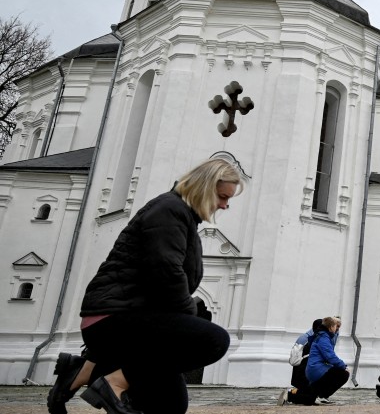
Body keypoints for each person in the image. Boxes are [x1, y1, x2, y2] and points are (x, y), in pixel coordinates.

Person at [50, 159, 240, 414]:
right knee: (213, 340)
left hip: (129, 318)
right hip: (112, 319)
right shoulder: (169, 210)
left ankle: (84, 371)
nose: (225, 205)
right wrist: (188, 321)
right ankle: (113, 382)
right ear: (204, 187)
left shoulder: (182, 215)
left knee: (171, 404)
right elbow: (166, 273)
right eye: (222, 196)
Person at [304, 317, 350, 404]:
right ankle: (321, 395)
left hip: (315, 368)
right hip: (316, 370)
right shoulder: (323, 338)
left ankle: (319, 395)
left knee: (338, 371)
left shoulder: (322, 336)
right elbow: (331, 356)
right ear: (331, 327)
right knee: (343, 374)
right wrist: (344, 366)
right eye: (335, 326)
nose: (336, 329)